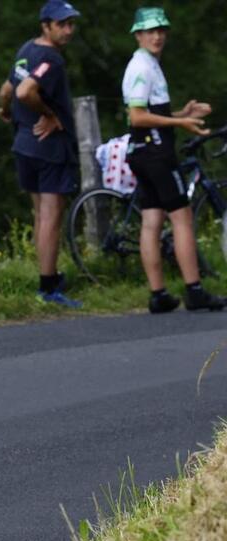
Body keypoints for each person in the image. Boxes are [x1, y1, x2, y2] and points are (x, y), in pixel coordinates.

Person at [121, 7, 224, 313]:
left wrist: (182, 114)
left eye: (161, 30)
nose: (157, 36)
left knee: (152, 220)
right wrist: (180, 125)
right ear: (138, 35)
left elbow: (152, 115)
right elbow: (137, 116)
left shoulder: (149, 64)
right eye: (150, 31)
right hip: (155, 153)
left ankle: (158, 295)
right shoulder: (142, 66)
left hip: (143, 151)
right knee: (181, 216)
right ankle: (194, 290)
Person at [0, 1, 83, 308]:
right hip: (48, 146)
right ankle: (48, 287)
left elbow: (8, 90)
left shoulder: (26, 50)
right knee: (51, 216)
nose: (68, 30)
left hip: (23, 143)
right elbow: (24, 91)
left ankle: (46, 274)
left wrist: (5, 112)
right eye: (62, 24)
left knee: (39, 215)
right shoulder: (51, 59)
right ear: (45, 25)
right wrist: (49, 114)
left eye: (71, 24)